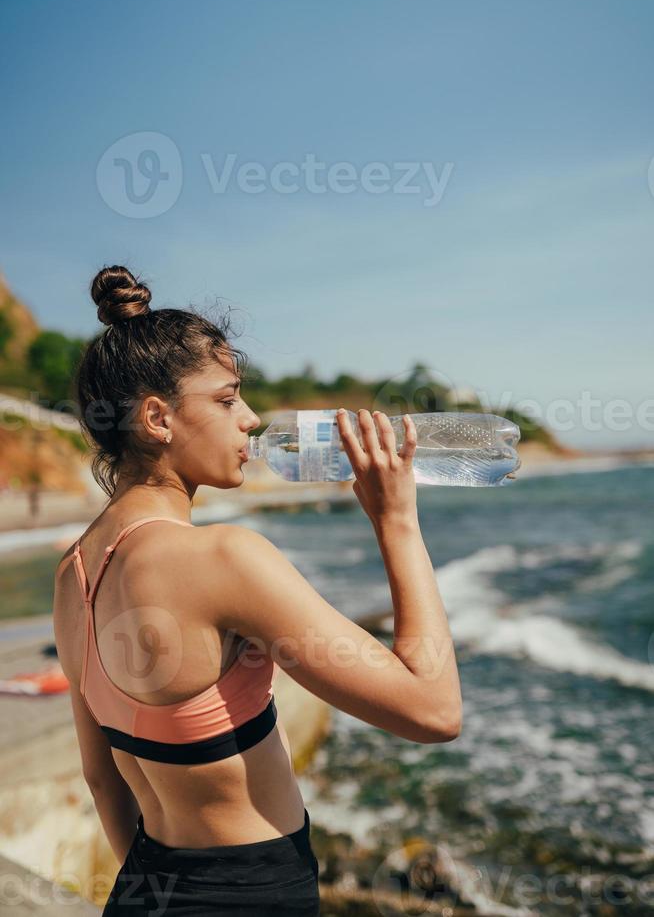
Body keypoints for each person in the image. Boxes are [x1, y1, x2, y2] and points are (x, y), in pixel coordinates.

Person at [52, 265, 462, 915]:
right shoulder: (224, 557)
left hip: (144, 890)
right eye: (226, 399)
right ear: (158, 418)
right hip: (252, 893)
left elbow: (103, 780)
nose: (250, 420)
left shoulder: (75, 571)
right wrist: (397, 523)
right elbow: (434, 711)